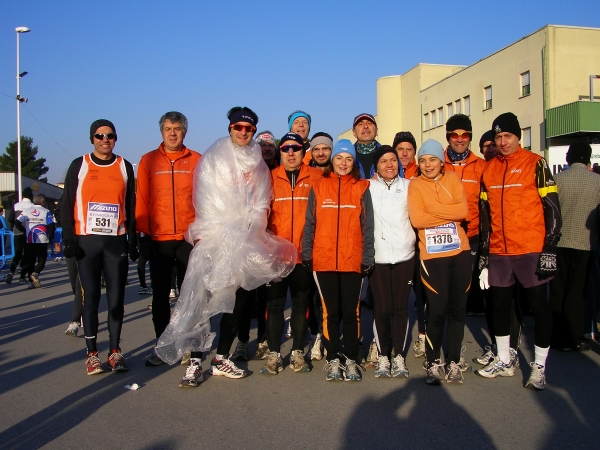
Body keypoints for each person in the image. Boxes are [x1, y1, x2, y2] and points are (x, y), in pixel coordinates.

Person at [154, 107, 296, 388]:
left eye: (248, 129)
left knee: (239, 301)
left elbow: (261, 203)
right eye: (238, 128)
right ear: (230, 129)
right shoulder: (214, 158)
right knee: (203, 299)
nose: (243, 133)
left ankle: (221, 357)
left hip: (245, 240)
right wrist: (222, 232)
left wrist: (252, 228)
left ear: (254, 132)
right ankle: (195, 363)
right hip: (215, 238)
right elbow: (206, 200)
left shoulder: (257, 163)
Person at [477, 112, 562, 390]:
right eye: (498, 137)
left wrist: (550, 246)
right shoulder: (489, 169)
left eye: (508, 136)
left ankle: (539, 366)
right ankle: (504, 360)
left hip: (531, 247)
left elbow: (552, 206)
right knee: (499, 305)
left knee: (538, 306)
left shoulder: (535, 163)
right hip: (501, 250)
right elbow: (485, 214)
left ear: (518, 137)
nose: (503, 142)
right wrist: (485, 253)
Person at [61, 119, 138, 375]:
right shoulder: (80, 165)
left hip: (115, 242)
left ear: (115, 138)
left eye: (110, 135)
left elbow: (130, 206)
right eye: (99, 136)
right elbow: (67, 203)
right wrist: (69, 238)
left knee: (116, 299)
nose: (105, 140)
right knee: (91, 299)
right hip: (87, 243)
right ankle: (92, 354)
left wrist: (134, 238)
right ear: (92, 138)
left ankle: (115, 351)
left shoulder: (124, 166)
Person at [302, 139, 375, 382]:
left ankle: (351, 359)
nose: (343, 163)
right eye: (339, 158)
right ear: (332, 161)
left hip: (352, 260)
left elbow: (367, 226)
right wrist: (307, 252)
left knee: (351, 313)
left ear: (353, 162)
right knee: (330, 312)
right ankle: (334, 359)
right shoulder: (319, 186)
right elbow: (310, 222)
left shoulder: (362, 187)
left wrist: (367, 257)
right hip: (323, 260)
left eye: (348, 159)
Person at [136, 111, 201, 367]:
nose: (172, 133)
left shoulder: (196, 160)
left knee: (189, 296)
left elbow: (204, 199)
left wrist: (202, 234)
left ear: (184, 131)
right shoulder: (148, 160)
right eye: (167, 129)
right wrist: (143, 235)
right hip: (159, 239)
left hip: (187, 238)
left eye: (177, 128)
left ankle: (187, 345)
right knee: (160, 296)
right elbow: (142, 199)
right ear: (161, 132)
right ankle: (163, 347)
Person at [408, 139, 472, 385]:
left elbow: (462, 212)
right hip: (432, 256)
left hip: (459, 252)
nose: (427, 165)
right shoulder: (414, 185)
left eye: (432, 159)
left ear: (441, 161)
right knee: (436, 311)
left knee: (457, 310)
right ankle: (433, 362)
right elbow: (417, 219)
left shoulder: (453, 179)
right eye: (422, 160)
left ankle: (454, 361)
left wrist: (431, 208)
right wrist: (446, 209)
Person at [261, 132, 323, 374]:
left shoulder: (316, 176)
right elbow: (260, 216)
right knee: (275, 305)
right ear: (280, 151)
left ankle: (298, 351)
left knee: (300, 305)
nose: (290, 153)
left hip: (304, 255)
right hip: (276, 255)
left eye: (295, 148)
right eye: (285, 148)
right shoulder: (269, 178)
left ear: (302, 150)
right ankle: (275, 353)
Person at [473, 129, 522, 366]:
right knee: (491, 300)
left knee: (509, 301)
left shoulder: (518, 167)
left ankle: (510, 349)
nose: (492, 148)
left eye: (495, 144)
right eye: (487, 146)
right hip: (490, 243)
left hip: (517, 246)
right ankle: (496, 346)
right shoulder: (486, 171)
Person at [368, 145, 416, 378]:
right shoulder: (367, 188)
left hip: (405, 256)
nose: (389, 164)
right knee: (383, 308)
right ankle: (383, 354)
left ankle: (398, 355)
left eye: (393, 160)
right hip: (378, 258)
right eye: (384, 161)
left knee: (400, 307)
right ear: (376, 166)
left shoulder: (409, 187)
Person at [550, 142, 600, 351]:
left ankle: (555, 334)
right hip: (585, 242)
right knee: (578, 291)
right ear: (588, 159)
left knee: (558, 289)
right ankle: (573, 337)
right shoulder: (597, 181)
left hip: (560, 241)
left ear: (569, 158)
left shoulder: (557, 179)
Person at [443, 114, 486, 317]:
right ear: (448, 137)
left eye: (465, 134)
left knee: (470, 283)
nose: (460, 138)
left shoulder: (481, 166)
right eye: (454, 134)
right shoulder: (436, 164)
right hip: (444, 235)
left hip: (473, 235)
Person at [391, 131, 426, 358]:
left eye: (409, 149)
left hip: (422, 242)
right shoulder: (385, 171)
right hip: (398, 242)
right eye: (400, 149)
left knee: (422, 293)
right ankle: (384, 339)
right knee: (392, 297)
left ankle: (423, 336)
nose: (404, 153)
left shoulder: (422, 172)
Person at [305, 131, 334, 360]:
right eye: (317, 149)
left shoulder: (340, 172)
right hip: (313, 243)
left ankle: (332, 337)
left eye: (325, 148)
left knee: (333, 298)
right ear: (311, 152)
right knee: (313, 296)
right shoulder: (307, 175)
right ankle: (317, 335)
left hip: (335, 244)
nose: (321, 152)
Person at [17, 193, 56, 288]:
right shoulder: (46, 211)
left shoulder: (26, 211)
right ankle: (36, 273)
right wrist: (51, 237)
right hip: (42, 240)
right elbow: (51, 225)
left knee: (30, 261)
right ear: (42, 202)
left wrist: (24, 230)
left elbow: (16, 222)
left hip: (29, 239)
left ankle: (31, 283)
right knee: (42, 260)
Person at [5, 188, 34, 284]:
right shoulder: (32, 206)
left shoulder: (16, 205)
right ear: (31, 196)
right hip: (28, 233)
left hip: (17, 233)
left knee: (17, 254)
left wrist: (15, 226)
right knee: (26, 255)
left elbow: (10, 219)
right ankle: (22, 277)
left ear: (22, 196)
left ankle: (11, 273)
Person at [352, 113, 381, 178]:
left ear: (376, 131)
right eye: (360, 124)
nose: (365, 126)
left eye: (369, 123)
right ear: (354, 133)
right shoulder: (348, 157)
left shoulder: (388, 155)